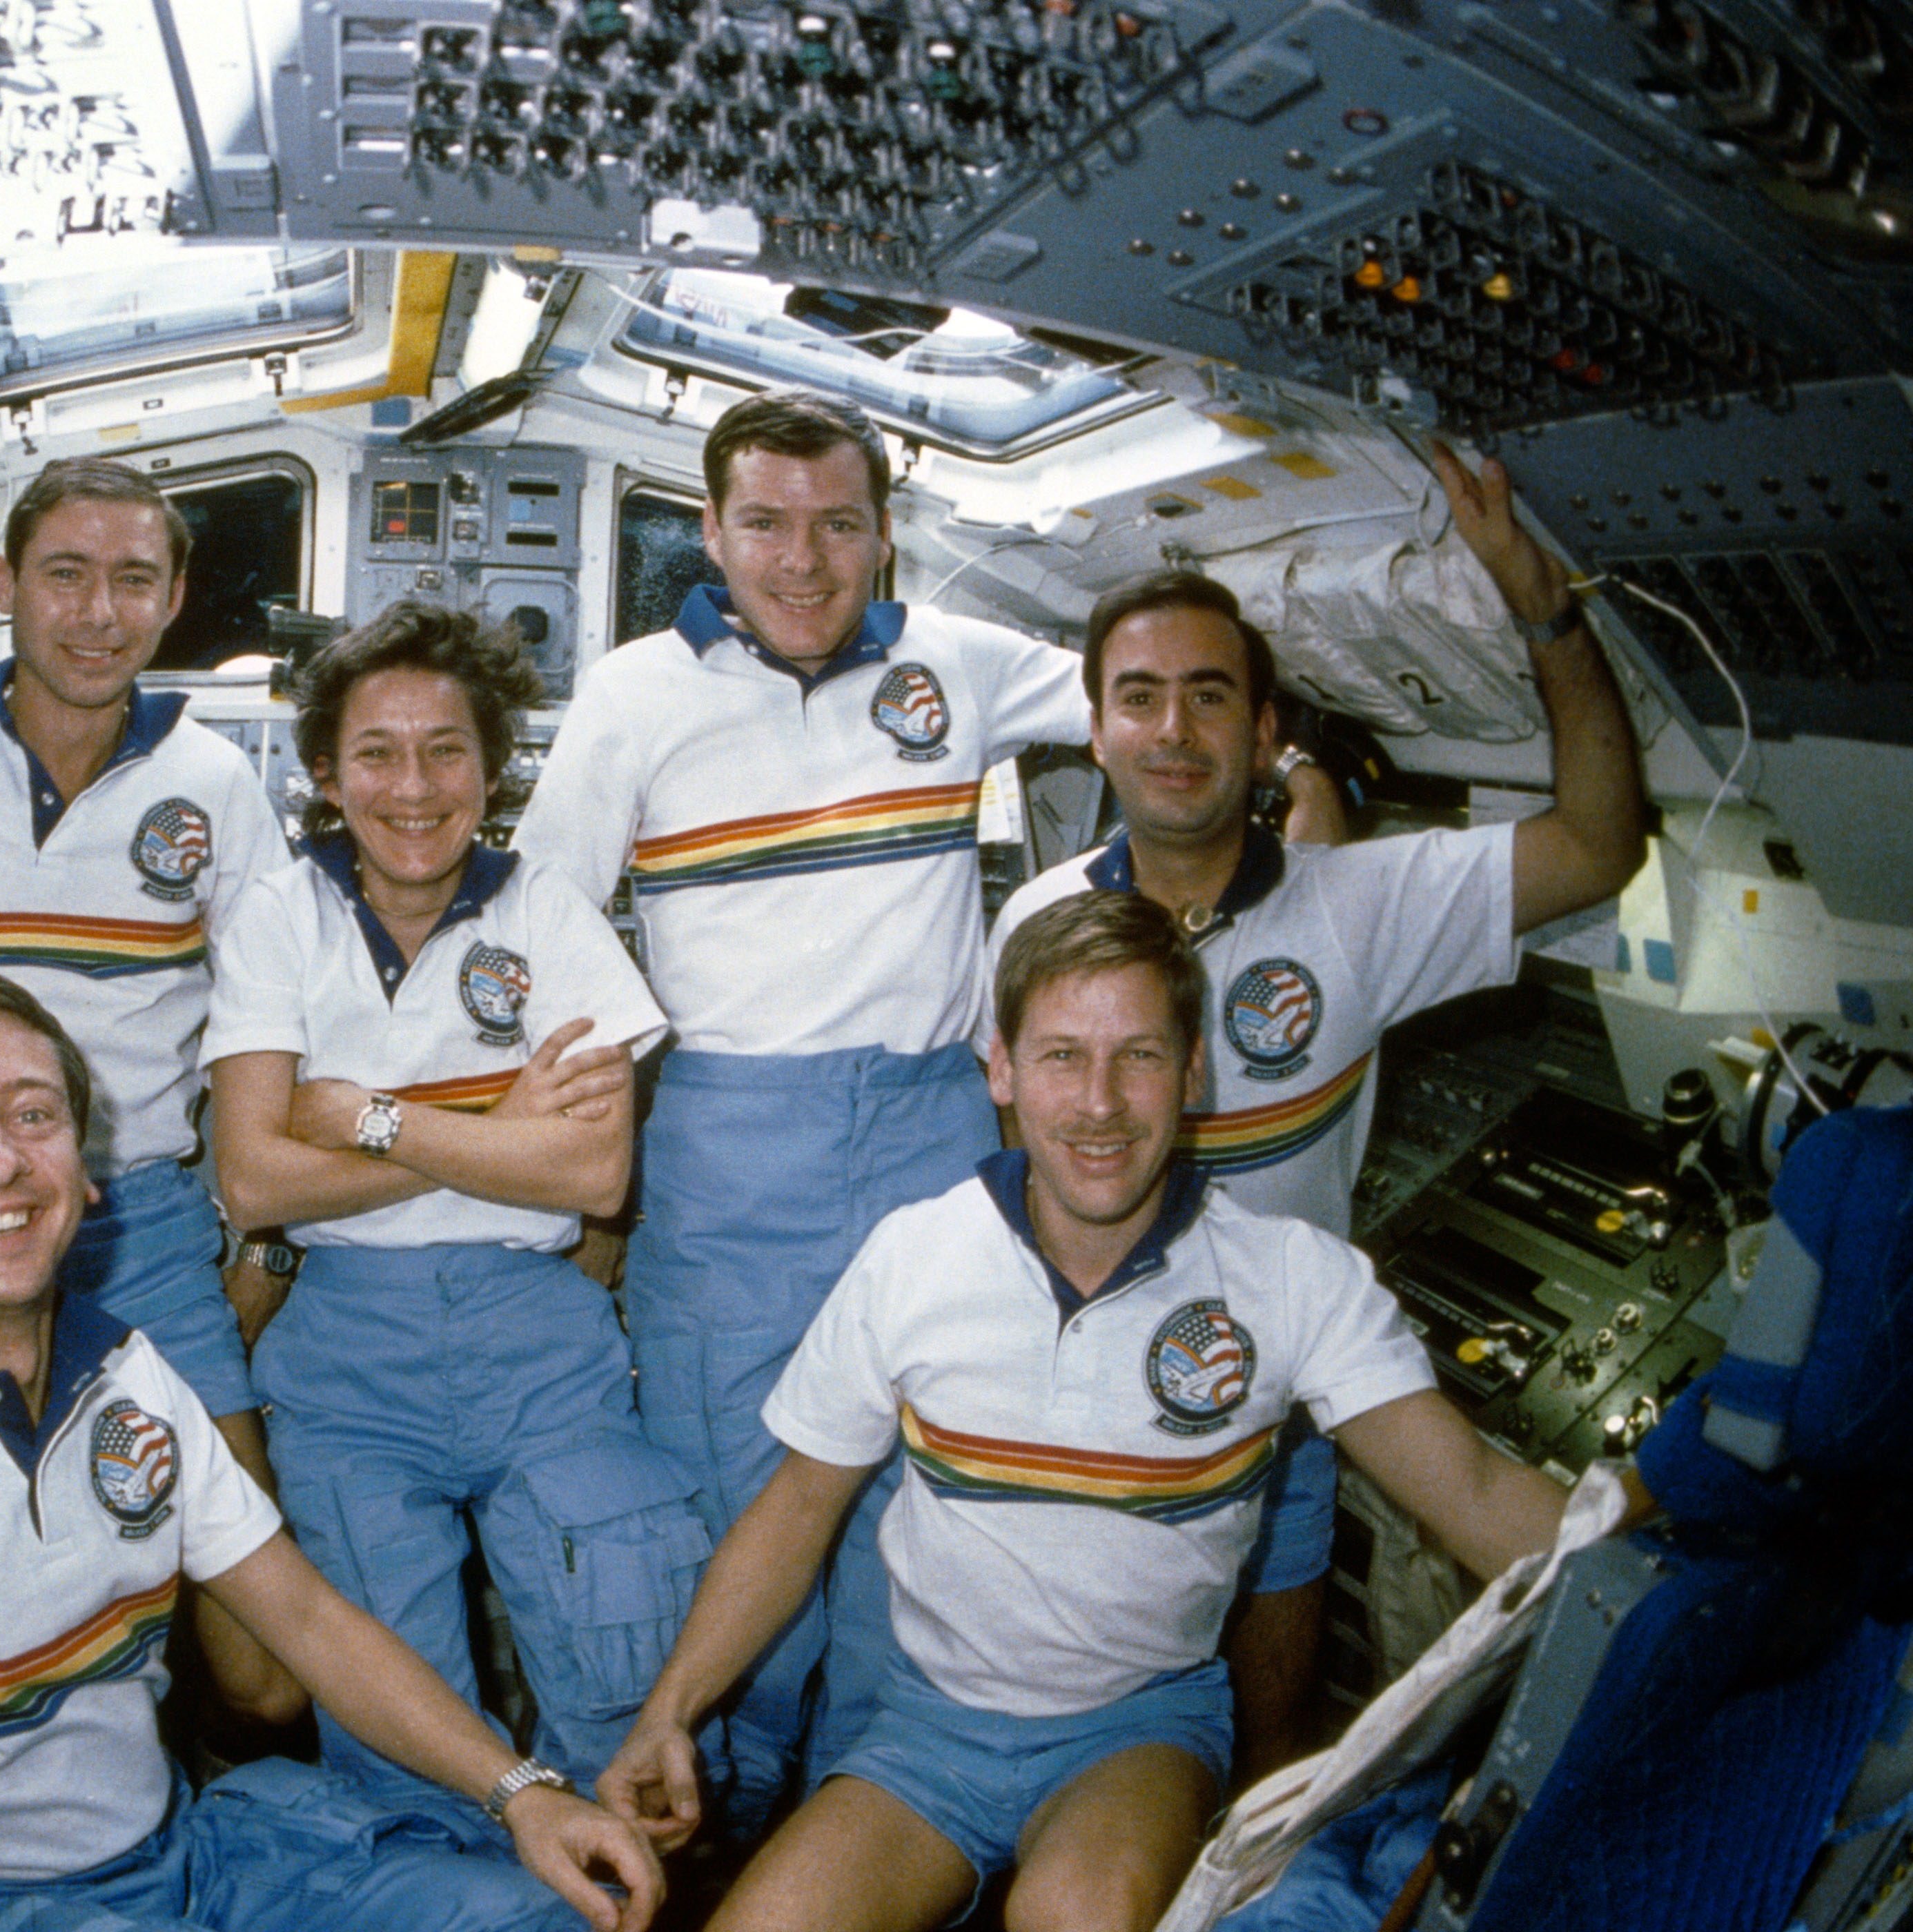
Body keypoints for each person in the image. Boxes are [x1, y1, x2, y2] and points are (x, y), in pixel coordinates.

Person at [599, 891, 1614, 1932]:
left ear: (1193, 1073)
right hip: (925, 1733)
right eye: (1061, 1057)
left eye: (1138, 1056)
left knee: (1073, 1916)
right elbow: (796, 1512)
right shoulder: (915, 1255)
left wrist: (1680, 1575)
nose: (1099, 1103)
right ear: (1000, 1068)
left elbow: (1479, 1491)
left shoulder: (1292, 1282)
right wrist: (669, 1713)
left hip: (1137, 1733)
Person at [0, 965, 664, 1932]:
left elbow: (311, 1621)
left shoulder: (133, 1376)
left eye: (33, 1115)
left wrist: (526, 1796)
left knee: (540, 1912)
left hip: (190, 1859)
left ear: (85, 1171)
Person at [988, 444, 1645, 1782]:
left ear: (1266, 727)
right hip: (1100, 1395)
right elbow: (1025, 1175)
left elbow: (1597, 838)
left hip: (1282, 1383)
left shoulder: (1357, 907)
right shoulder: (1037, 920)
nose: (1173, 730)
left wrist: (1544, 607)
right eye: (1139, 698)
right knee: (1086, 1725)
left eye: (1208, 696)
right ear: (1096, 728)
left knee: (1276, 1729)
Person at [511, 388, 1092, 1815]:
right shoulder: (636, 691)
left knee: (921, 1497)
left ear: (883, 535)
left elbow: (1149, 700)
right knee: (737, 1485)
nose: (803, 559)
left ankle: (874, 1813)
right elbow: (536, 918)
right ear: (710, 531)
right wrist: (587, 1100)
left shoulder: (962, 662)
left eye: (839, 524)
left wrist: (1300, 773)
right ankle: (719, 1801)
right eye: (765, 523)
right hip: (726, 1149)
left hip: (931, 1138)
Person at [202, 601, 709, 1827]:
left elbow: (595, 1180)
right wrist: (502, 1136)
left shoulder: (545, 913)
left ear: (492, 767)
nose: (414, 786)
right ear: (325, 772)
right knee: (399, 1732)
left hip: (541, 1346)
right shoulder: (281, 915)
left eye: (446, 750)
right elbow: (256, 1182)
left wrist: (368, 1118)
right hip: (344, 1363)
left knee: (619, 1666)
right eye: (376, 752)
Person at [0, 457, 298, 1718]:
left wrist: (263, 1250)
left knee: (266, 1679)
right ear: (4, 585)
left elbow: (268, 1042)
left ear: (171, 604)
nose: (97, 613)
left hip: (143, 1225)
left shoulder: (218, 789)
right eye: (65, 576)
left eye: (132, 582)